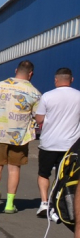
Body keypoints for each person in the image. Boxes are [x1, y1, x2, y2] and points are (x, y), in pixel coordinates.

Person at [0, 60, 41, 213]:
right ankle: (9, 204)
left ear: (16, 70)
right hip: (19, 136)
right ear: (31, 74)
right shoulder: (34, 92)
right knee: (14, 169)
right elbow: (38, 115)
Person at [34, 68, 80, 217]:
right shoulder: (78, 96)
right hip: (71, 145)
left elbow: (39, 119)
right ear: (71, 80)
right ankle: (59, 204)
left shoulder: (47, 96)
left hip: (49, 143)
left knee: (44, 173)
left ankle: (44, 203)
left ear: (56, 80)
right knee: (65, 175)